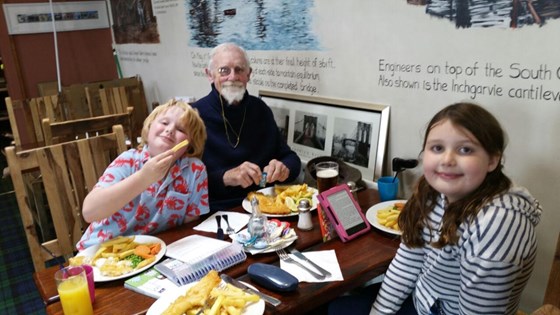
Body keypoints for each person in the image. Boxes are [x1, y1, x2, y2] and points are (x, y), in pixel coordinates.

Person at [329, 102, 542, 314]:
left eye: (465, 149)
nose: (447, 159)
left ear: (493, 160)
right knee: (333, 308)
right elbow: (407, 262)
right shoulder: (433, 193)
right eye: (437, 148)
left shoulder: (497, 225)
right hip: (424, 299)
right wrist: (380, 311)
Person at [77, 99, 209, 250]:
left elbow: (188, 229)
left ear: (190, 144)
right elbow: (89, 212)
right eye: (164, 123)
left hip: (154, 253)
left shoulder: (194, 172)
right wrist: (144, 178)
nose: (170, 130)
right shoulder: (128, 161)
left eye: (181, 129)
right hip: (99, 252)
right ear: (149, 128)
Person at [191, 42, 301, 210]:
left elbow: (291, 159)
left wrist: (284, 168)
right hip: (216, 212)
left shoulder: (260, 109)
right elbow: (182, 182)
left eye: (239, 70)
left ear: (249, 74)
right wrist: (225, 178)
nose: (233, 77)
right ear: (209, 75)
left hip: (265, 206)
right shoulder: (193, 117)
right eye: (224, 70)